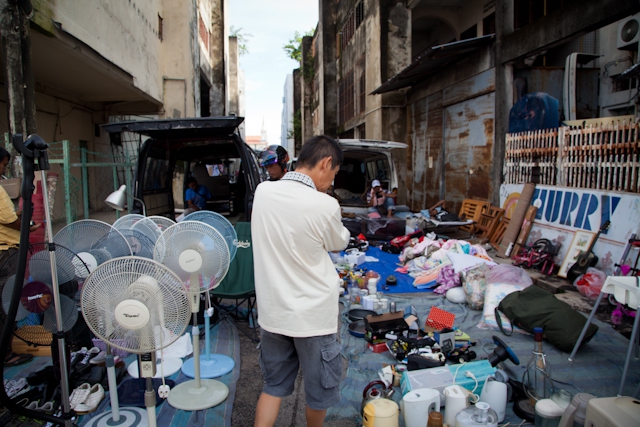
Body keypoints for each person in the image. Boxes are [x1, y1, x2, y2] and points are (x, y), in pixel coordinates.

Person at [251, 135, 350, 427]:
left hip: (273, 313)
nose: (331, 181)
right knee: (318, 393)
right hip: (313, 316)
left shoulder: (263, 192)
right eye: (334, 174)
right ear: (326, 163)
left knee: (273, 386)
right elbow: (338, 242)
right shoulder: (325, 204)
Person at [0, 147, 40, 367]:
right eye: (4, 164)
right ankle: (6, 353)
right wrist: (28, 227)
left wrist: (20, 214)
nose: (4, 169)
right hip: (6, 251)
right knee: (7, 300)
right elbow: (8, 221)